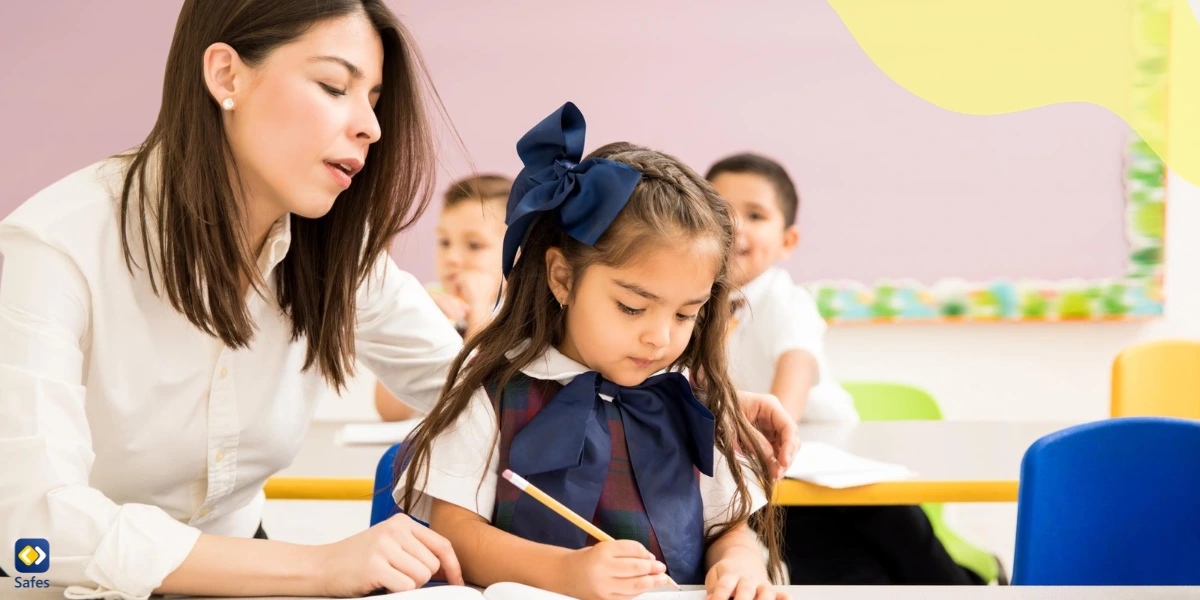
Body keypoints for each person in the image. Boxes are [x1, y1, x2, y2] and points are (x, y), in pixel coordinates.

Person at [0, 3, 796, 593]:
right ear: (225, 74)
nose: (370, 128)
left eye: (375, 99)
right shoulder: (53, 248)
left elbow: (479, 385)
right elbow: (32, 532)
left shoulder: (334, 254)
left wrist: (673, 399)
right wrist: (313, 567)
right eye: (335, 87)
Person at [395, 104, 787, 600]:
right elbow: (454, 530)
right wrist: (566, 573)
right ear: (563, 276)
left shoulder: (690, 400)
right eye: (631, 307)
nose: (660, 338)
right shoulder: (493, 388)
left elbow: (727, 527)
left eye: (685, 314)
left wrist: (739, 562)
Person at [708, 153, 986, 585]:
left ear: (788, 240)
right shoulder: (693, 307)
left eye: (756, 215)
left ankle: (967, 587)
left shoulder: (787, 301)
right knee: (840, 573)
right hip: (770, 477)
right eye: (721, 212)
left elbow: (789, 392)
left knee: (910, 548)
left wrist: (765, 434)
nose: (737, 226)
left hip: (835, 464)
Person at [375, 175, 511, 422]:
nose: (452, 257)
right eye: (445, 242)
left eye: (473, 245)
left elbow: (483, 398)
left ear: (517, 254)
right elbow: (389, 412)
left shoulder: (518, 314)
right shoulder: (430, 303)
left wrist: (479, 311)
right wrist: (412, 325)